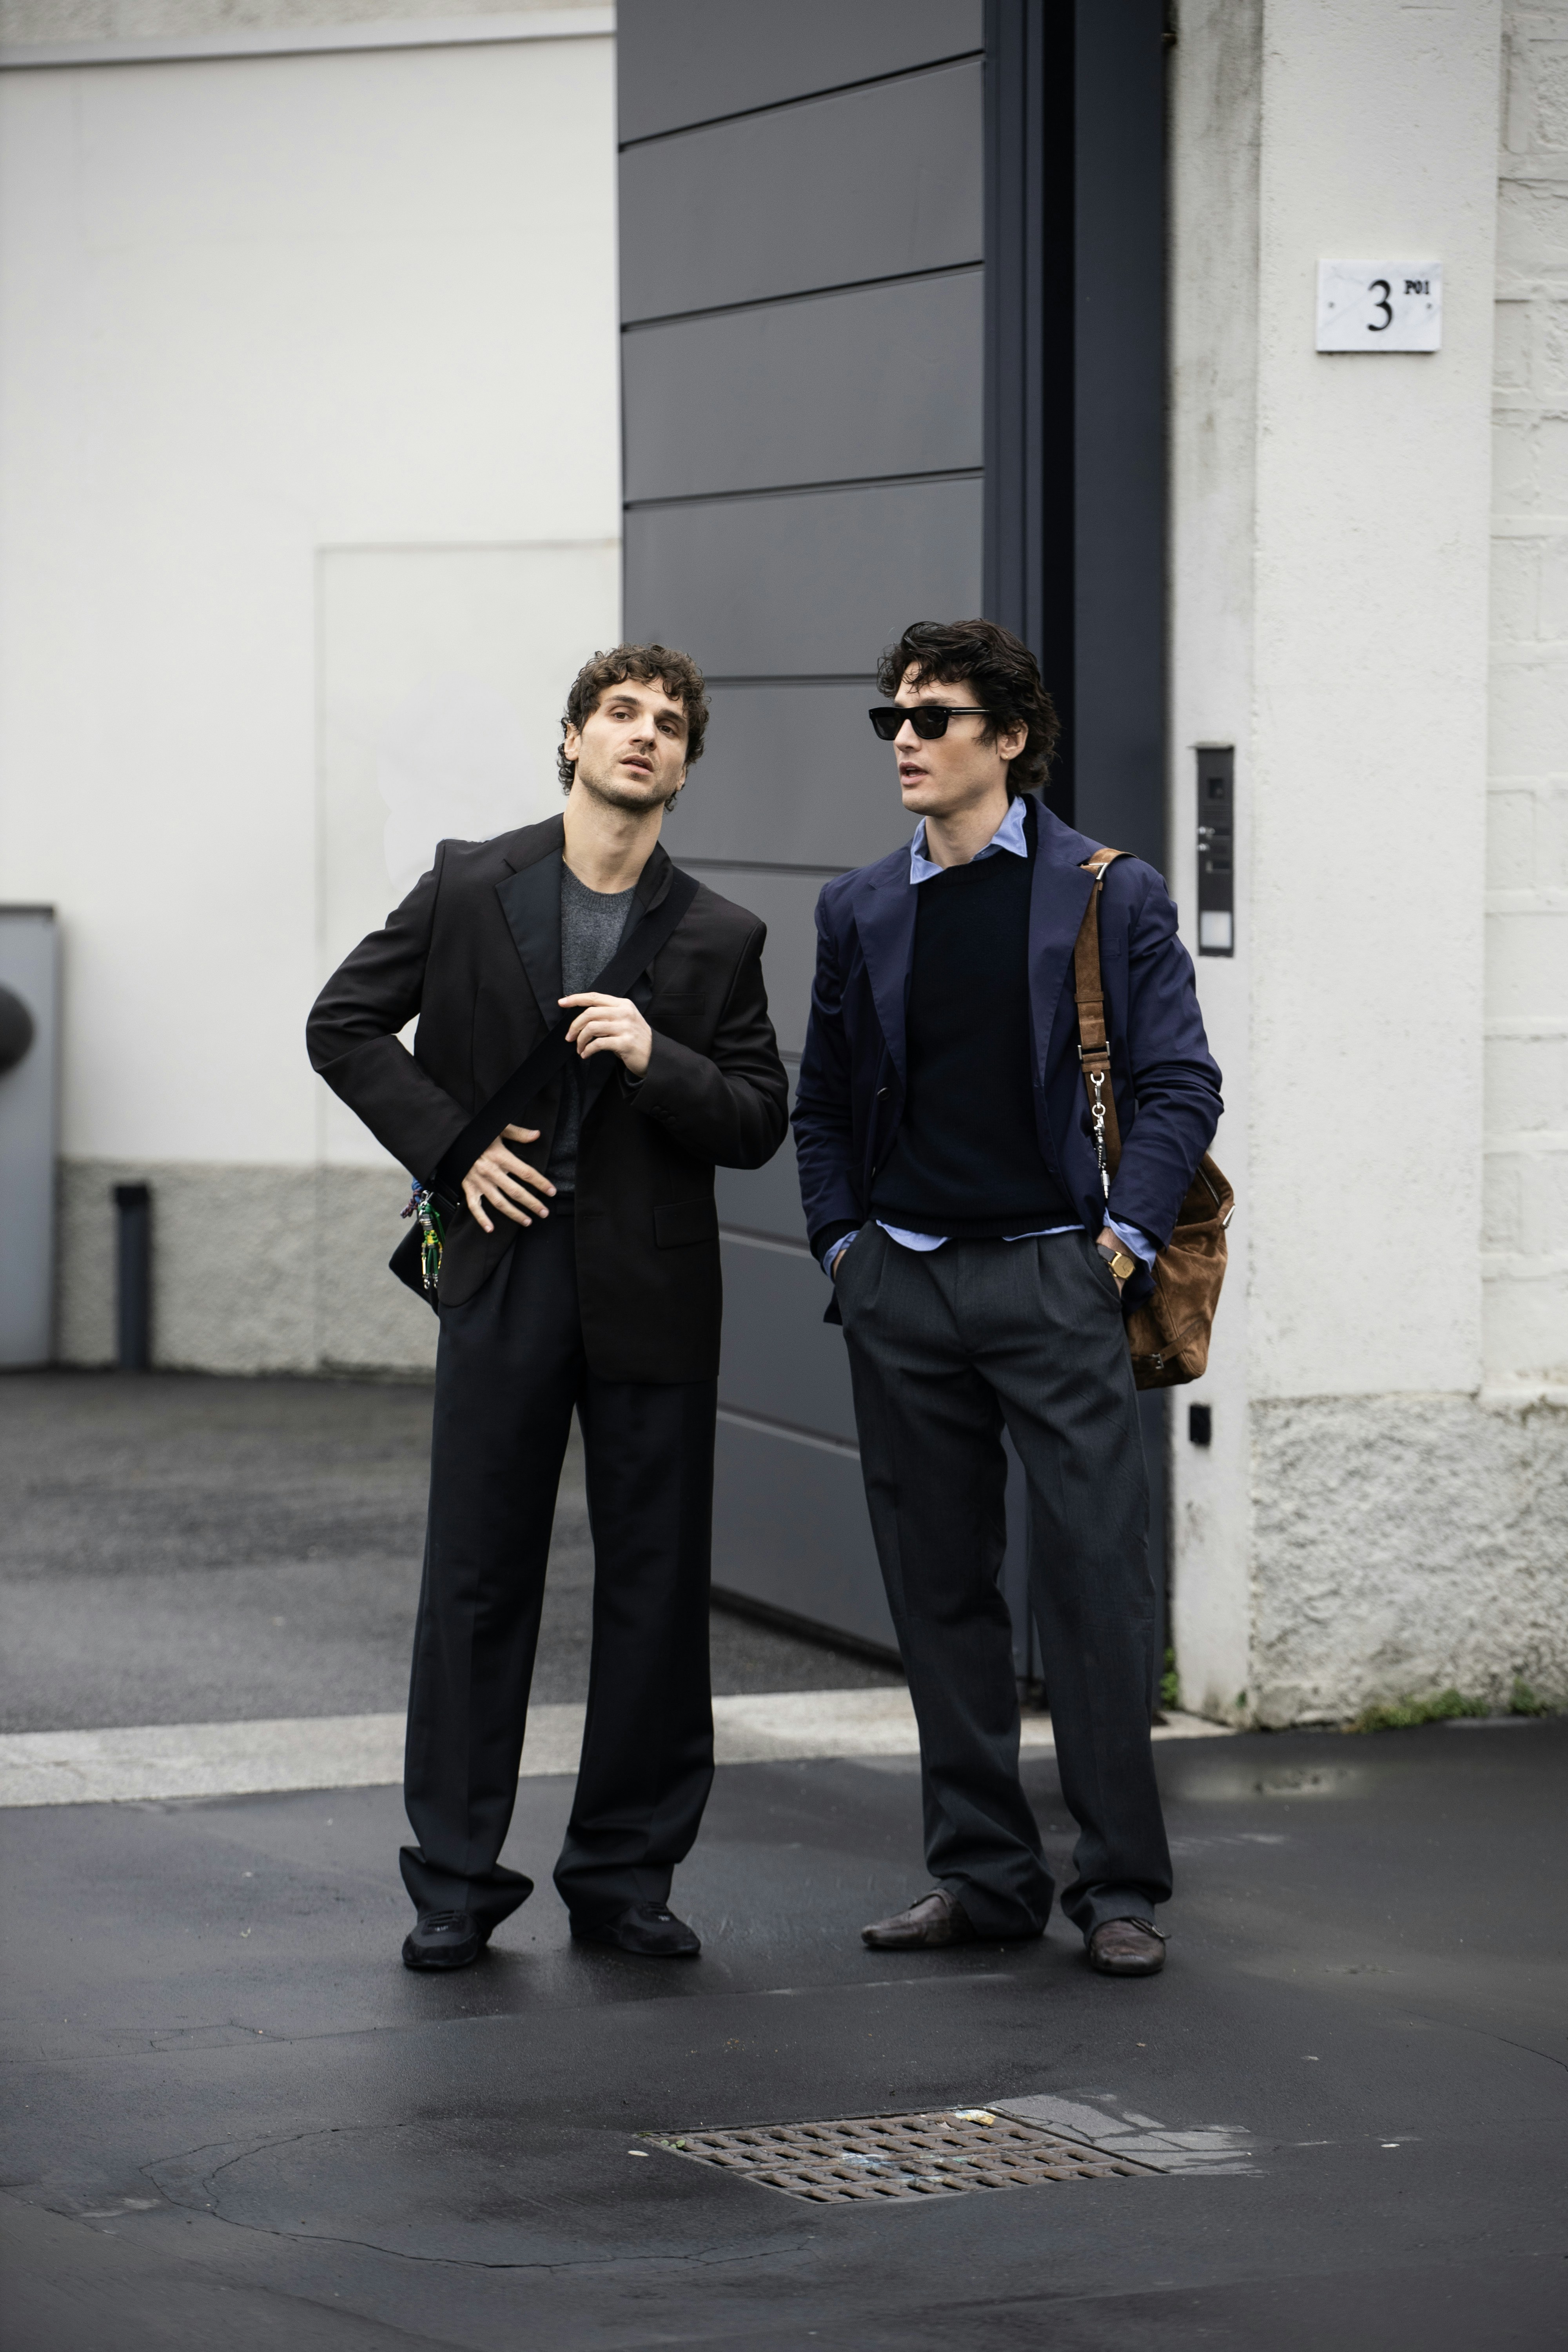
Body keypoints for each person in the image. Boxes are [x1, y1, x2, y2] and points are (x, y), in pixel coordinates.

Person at [307, 643, 788, 1970]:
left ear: (685, 768)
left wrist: (658, 1057)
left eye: (670, 725)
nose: (644, 736)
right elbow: (343, 1023)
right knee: (476, 1577)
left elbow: (757, 1118)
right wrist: (457, 1151)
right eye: (622, 715)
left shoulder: (720, 936)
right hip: (505, 1267)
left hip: (654, 1287)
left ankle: (626, 1879)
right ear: (572, 738)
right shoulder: (472, 884)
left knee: (653, 1585)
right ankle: (455, 1882)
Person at [792, 618, 1222, 1978]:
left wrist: (1120, 1247)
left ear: (1012, 739)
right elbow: (819, 1108)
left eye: (932, 717)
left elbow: (1178, 1087)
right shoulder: (859, 907)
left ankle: (1118, 1890)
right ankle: (981, 1874)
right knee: (941, 1591)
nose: (905, 740)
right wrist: (843, 1253)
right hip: (903, 1284)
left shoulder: (1110, 892)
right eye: (893, 721)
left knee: (1096, 1581)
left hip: (1057, 1276)